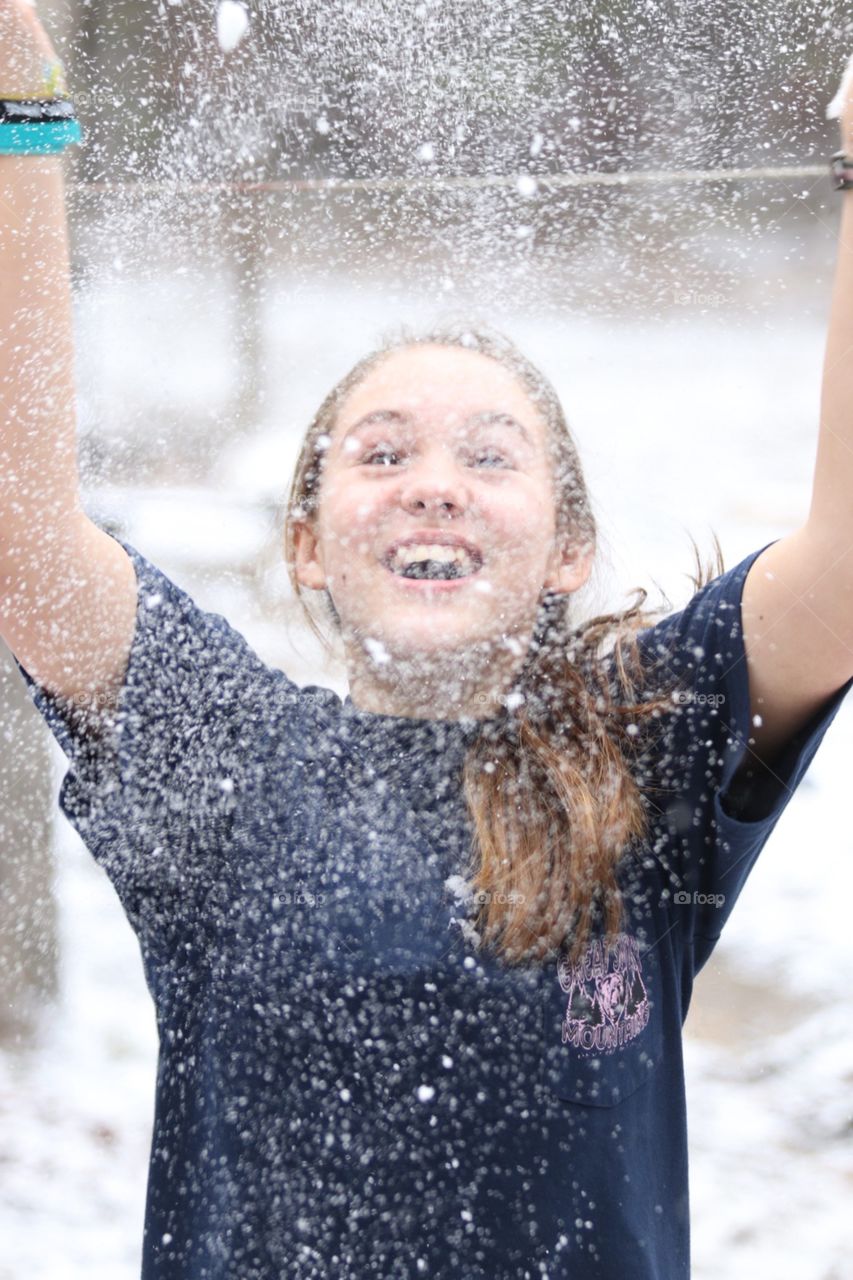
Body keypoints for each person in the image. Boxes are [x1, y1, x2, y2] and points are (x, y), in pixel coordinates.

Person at [2, 3, 853, 1276]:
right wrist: (23, 120)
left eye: (490, 455)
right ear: (307, 543)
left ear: (569, 546)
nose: (433, 483)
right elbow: (26, 544)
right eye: (382, 451)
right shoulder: (226, 757)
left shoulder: (639, 748)